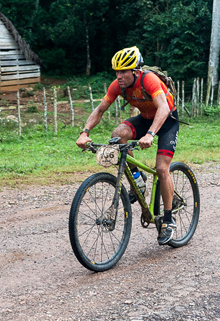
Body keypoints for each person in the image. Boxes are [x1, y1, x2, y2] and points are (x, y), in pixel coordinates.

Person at [76, 46, 179, 245]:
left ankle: (168, 220)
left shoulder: (149, 80)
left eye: (124, 71)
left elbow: (163, 108)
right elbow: (100, 110)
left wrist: (150, 134)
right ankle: (138, 178)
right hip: (145, 118)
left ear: (136, 71)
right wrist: (84, 132)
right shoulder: (118, 85)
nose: (119, 75)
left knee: (162, 168)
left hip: (166, 120)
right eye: (117, 71)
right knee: (117, 135)